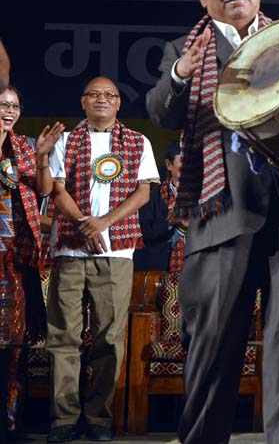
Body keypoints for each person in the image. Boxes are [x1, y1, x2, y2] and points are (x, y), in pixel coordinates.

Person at [146, 0, 279, 444]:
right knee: (213, 351)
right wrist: (183, 70)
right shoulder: (183, 51)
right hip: (223, 215)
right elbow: (163, 111)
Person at [46, 77, 159, 442]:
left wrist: (104, 224)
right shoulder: (66, 140)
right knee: (63, 336)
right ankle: (64, 419)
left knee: (109, 338)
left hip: (117, 252)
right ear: (83, 102)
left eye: (109, 95)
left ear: (119, 104)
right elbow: (57, 189)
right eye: (94, 94)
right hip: (69, 249)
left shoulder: (138, 142)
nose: (101, 100)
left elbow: (143, 193)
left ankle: (98, 417)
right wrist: (84, 226)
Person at [0, 86, 63, 438]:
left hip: (14, 257)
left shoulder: (23, 146)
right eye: (3, 105)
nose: (10, 110)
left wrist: (41, 156)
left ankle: (9, 424)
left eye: (15, 105)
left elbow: (41, 190)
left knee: (13, 341)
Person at [133, 140, 187, 271]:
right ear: (169, 165)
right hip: (159, 268)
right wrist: (171, 222)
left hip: (199, 267)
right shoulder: (150, 196)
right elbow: (142, 231)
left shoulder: (208, 195)